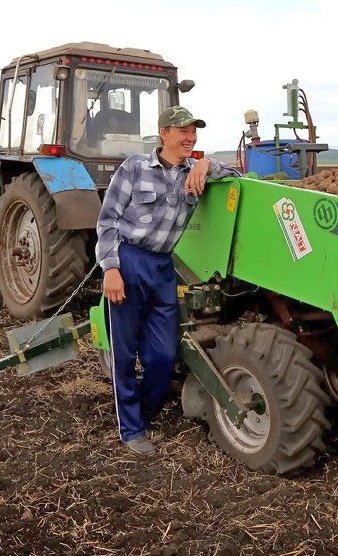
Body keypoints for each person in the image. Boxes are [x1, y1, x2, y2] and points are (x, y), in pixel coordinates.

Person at [95, 106, 241, 455]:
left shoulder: (194, 171)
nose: (190, 138)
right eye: (183, 131)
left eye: (194, 132)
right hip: (129, 260)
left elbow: (237, 174)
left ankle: (143, 413)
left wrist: (207, 164)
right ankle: (131, 430)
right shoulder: (135, 167)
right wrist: (111, 269)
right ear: (164, 133)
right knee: (125, 352)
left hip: (163, 266)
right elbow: (107, 220)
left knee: (163, 354)